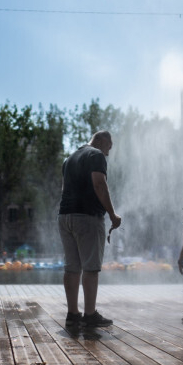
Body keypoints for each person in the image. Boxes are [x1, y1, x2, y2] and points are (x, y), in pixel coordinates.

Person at [58, 130, 122, 327]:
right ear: (102, 140)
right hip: (87, 217)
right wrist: (112, 214)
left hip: (65, 216)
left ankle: (72, 313)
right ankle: (90, 314)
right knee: (91, 268)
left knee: (72, 267)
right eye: (109, 146)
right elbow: (99, 184)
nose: (109, 152)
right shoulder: (95, 155)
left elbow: (64, 189)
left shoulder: (69, 159)